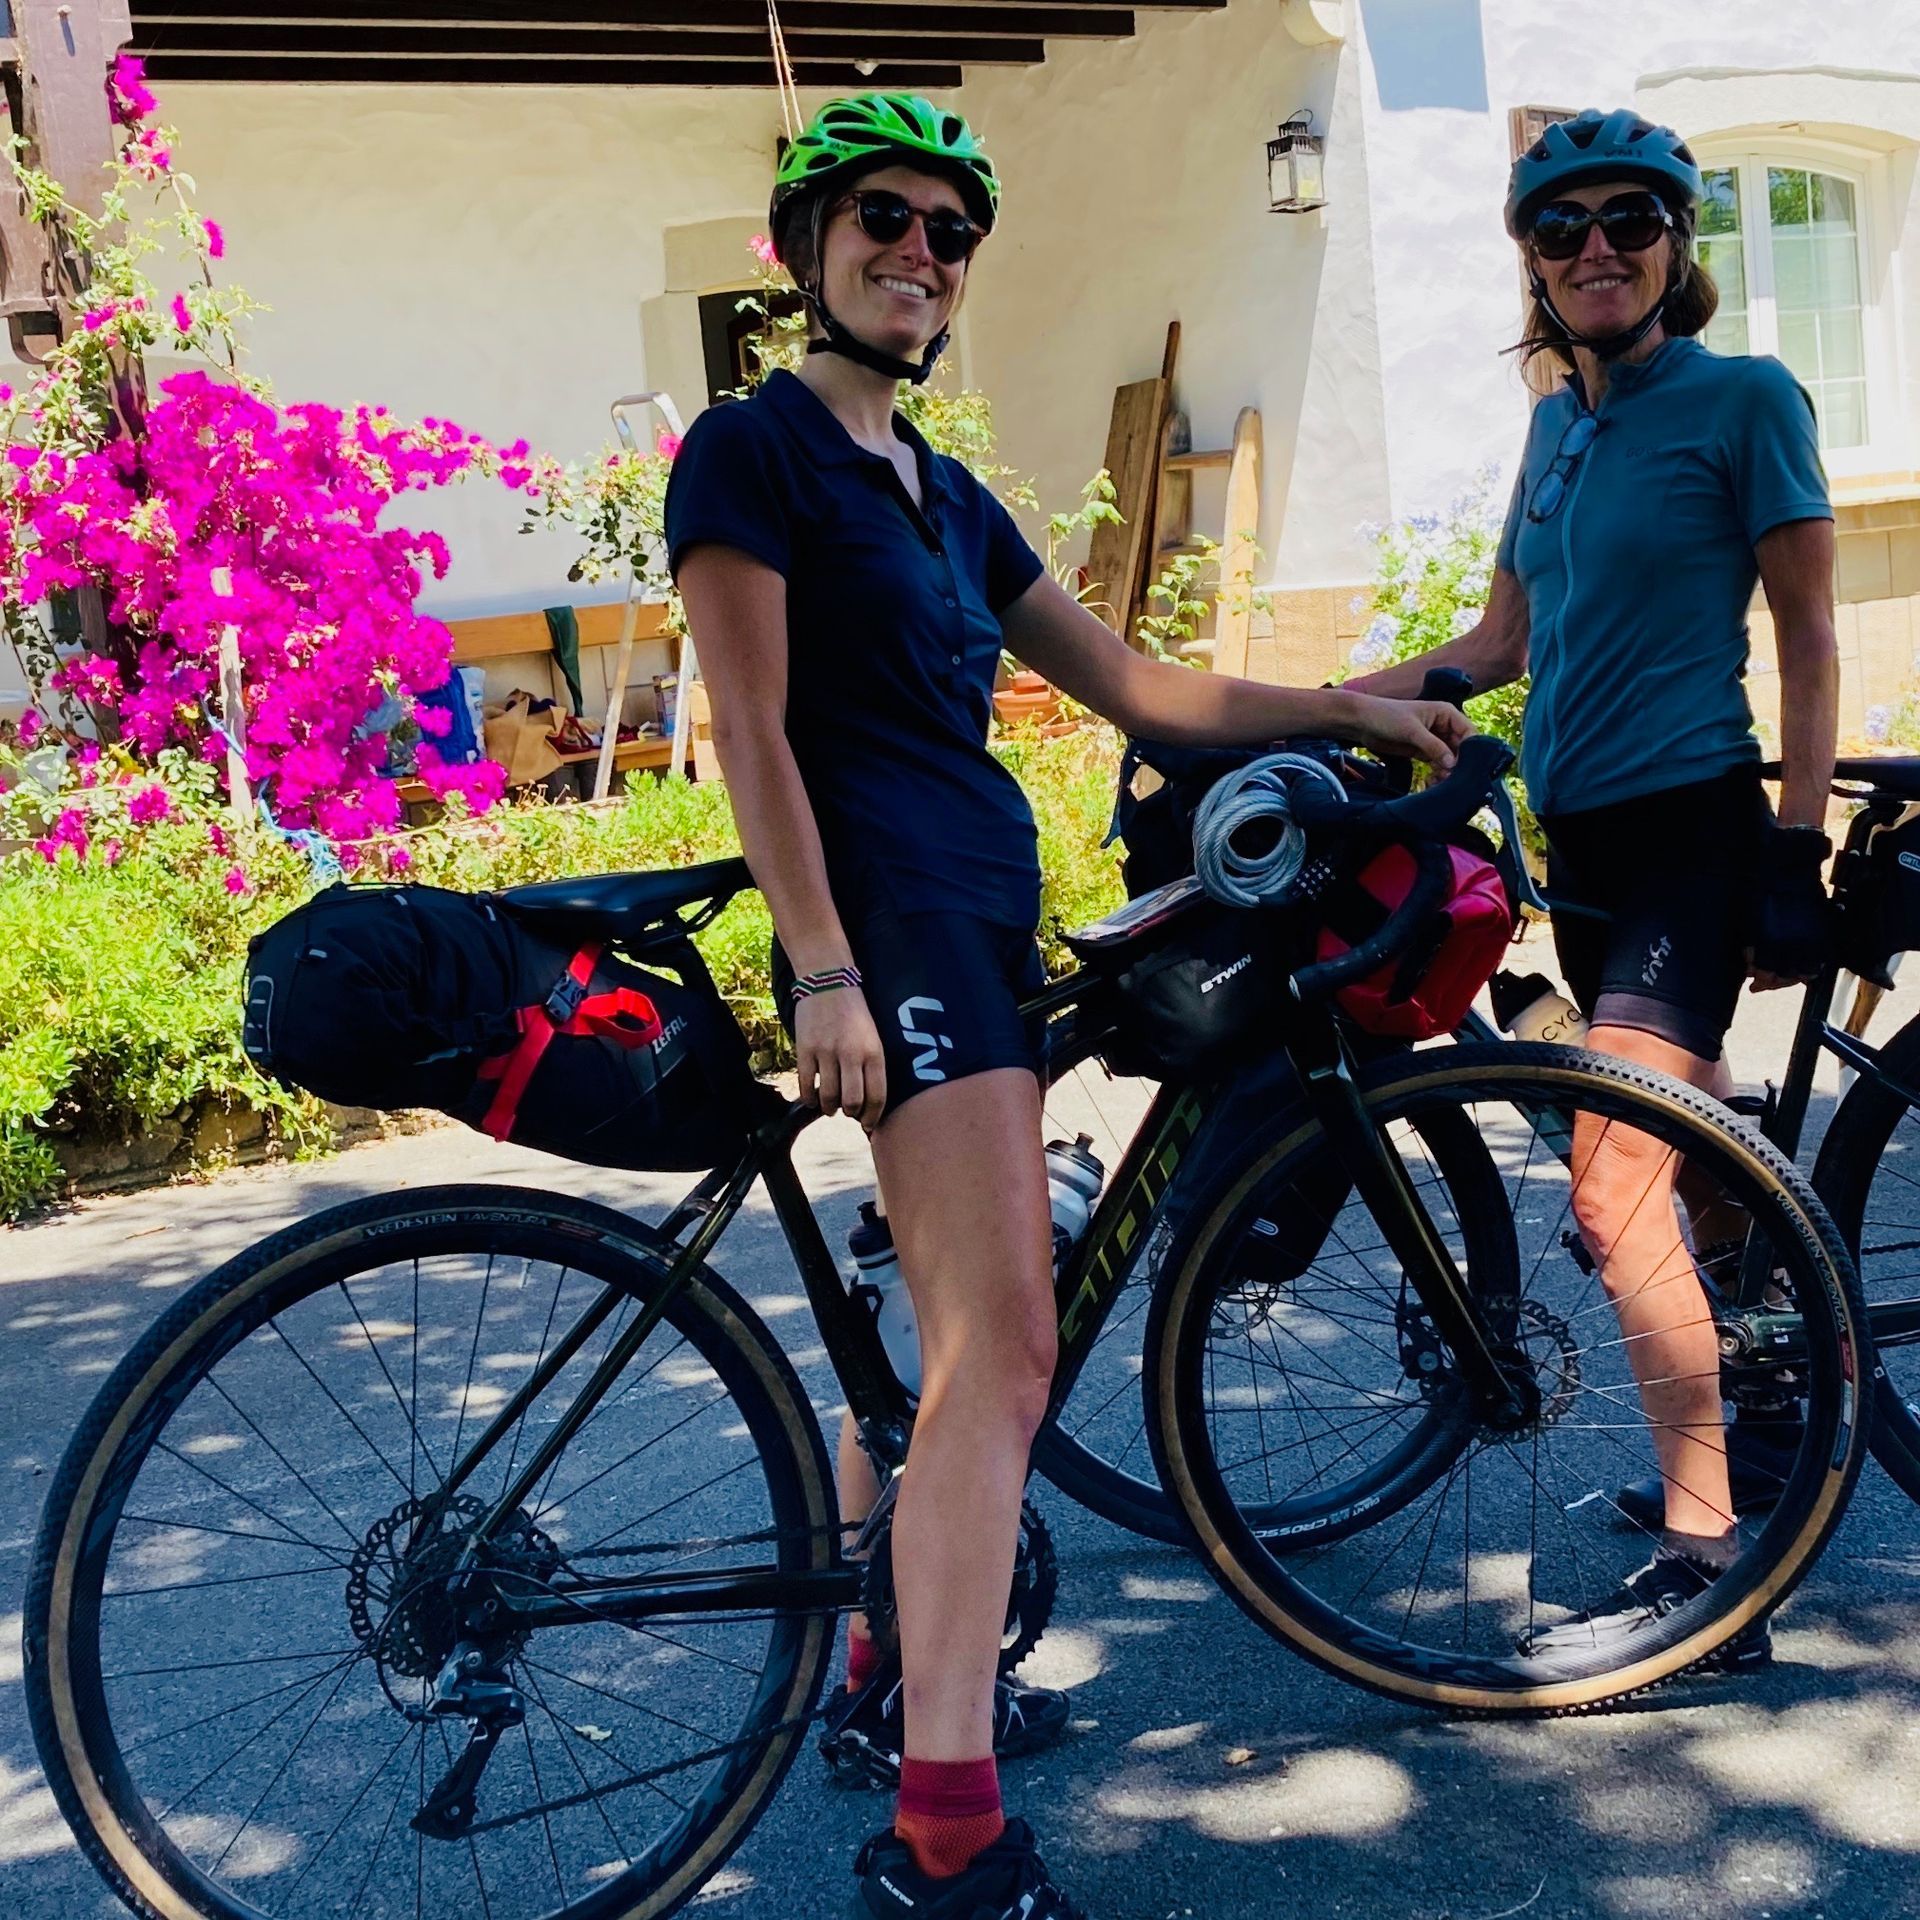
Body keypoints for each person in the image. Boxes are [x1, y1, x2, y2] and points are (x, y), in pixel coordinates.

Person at [664, 91, 1471, 1920]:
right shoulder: (750, 451)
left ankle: (885, 1677)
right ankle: (946, 1833)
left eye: (951, 234)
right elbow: (758, 732)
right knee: (1004, 1359)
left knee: (933, 1334)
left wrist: (1353, 705)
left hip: (978, 925)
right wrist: (826, 966)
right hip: (899, 936)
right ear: (807, 250)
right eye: (883, 218)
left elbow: (1134, 686)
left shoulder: (943, 498)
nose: (920, 255)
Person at [1347, 107, 1838, 1667]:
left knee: (1615, 1198)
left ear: (1676, 246)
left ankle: (1716, 1577)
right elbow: (1498, 651)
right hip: (1587, 858)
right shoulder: (1558, 427)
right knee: (1675, 1178)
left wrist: (1796, 845)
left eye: (1631, 220)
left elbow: (1814, 637)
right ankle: (1756, 1424)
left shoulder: (1745, 400)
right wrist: (1299, 713)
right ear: (1534, 266)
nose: (1597, 248)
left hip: (1698, 833)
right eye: (1562, 229)